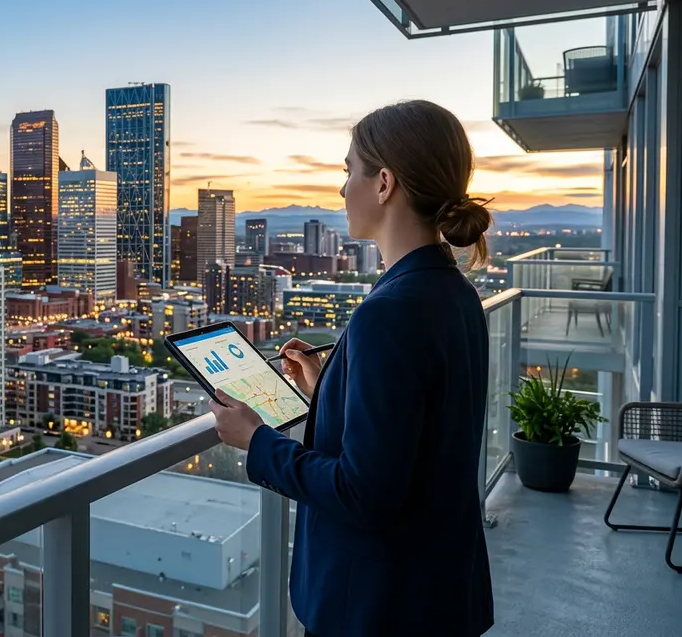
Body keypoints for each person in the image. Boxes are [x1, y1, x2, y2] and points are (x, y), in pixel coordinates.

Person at [210, 100, 495, 636]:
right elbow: (420, 430)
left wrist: (256, 441)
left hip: (378, 606)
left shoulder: (390, 312)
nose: (342, 189)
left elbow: (364, 493)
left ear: (384, 183)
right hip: (439, 588)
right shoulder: (453, 293)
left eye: (348, 171)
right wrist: (329, 389)